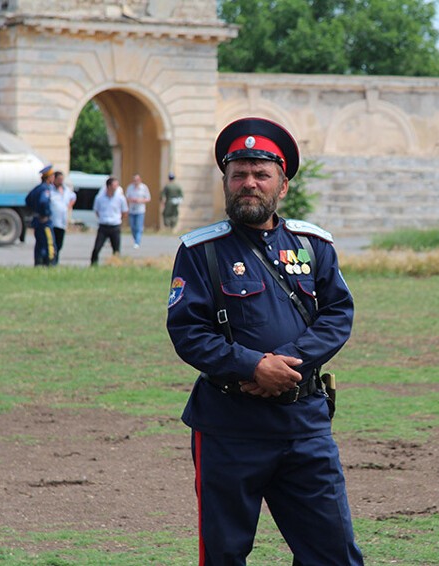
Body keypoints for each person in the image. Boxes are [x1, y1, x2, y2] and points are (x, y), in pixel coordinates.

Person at [166, 117, 363, 565]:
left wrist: (286, 361)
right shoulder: (201, 251)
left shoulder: (314, 245)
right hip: (228, 427)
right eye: (239, 174)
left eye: (261, 174)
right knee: (225, 554)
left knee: (334, 553)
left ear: (283, 185)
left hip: (304, 426)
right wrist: (252, 366)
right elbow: (187, 331)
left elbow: (337, 314)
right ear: (226, 182)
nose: (249, 183)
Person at [90, 177, 128, 266]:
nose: (116, 187)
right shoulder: (100, 198)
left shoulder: (120, 198)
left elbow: (125, 212)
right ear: (109, 186)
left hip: (115, 225)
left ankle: (116, 264)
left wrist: (118, 219)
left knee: (116, 249)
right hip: (103, 226)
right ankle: (93, 264)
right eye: (115, 185)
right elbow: (97, 211)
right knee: (97, 248)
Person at [25, 165, 56, 266]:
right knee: (49, 243)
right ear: (49, 177)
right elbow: (43, 202)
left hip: (36, 220)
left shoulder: (37, 188)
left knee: (39, 244)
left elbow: (27, 200)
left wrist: (34, 211)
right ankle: (50, 263)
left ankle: (38, 263)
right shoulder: (45, 189)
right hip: (44, 222)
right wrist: (45, 214)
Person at [49, 170, 77, 263]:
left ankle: (56, 261)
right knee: (52, 244)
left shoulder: (66, 190)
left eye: (62, 179)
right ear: (55, 179)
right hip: (53, 221)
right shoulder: (50, 190)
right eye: (59, 179)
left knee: (59, 244)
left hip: (62, 221)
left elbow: (73, 197)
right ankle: (51, 261)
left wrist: (69, 206)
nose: (61, 181)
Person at [126, 174, 151, 248]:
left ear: (140, 180)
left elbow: (148, 198)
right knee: (133, 227)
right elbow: (126, 197)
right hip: (132, 209)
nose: (135, 182)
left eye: (137, 180)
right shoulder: (130, 187)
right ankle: (135, 239)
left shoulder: (144, 187)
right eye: (134, 180)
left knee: (139, 227)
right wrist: (132, 200)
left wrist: (140, 200)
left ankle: (137, 242)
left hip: (140, 210)